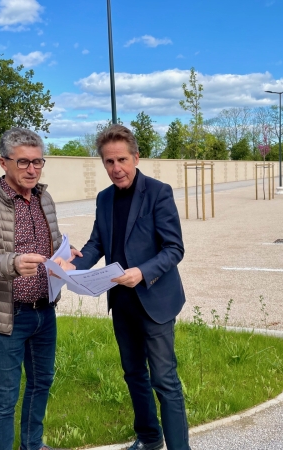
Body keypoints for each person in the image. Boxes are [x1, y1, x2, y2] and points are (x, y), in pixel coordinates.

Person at [64, 124, 191, 450]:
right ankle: (149, 438)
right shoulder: (104, 199)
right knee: (133, 374)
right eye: (109, 162)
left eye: (122, 159)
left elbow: (174, 248)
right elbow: (96, 244)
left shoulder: (158, 192)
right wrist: (72, 266)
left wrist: (142, 272)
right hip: (121, 301)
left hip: (155, 299)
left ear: (136, 157)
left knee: (164, 380)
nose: (116, 168)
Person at [0, 127, 76, 450]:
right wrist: (12, 263)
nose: (32, 170)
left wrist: (65, 252)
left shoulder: (44, 198)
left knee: (41, 383)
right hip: (7, 316)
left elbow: (48, 241)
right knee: (4, 396)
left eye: (38, 162)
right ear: (3, 163)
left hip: (44, 311)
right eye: (24, 162)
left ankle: (32, 444)